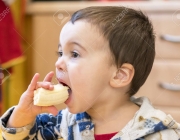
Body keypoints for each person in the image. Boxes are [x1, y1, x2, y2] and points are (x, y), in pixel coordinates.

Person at [0, 6, 180, 140]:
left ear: (119, 75)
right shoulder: (56, 125)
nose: (59, 63)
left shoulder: (160, 134)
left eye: (75, 54)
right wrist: (22, 116)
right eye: (61, 53)